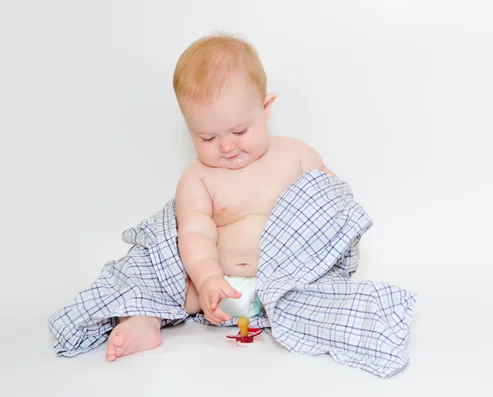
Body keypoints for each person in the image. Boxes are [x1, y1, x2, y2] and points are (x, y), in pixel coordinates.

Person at [105, 33, 334, 361]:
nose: (227, 146)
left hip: (285, 283)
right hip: (211, 287)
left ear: (265, 107)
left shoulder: (296, 156)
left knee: (324, 291)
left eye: (240, 131)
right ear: (190, 130)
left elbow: (333, 204)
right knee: (155, 281)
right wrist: (208, 278)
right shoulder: (198, 178)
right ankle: (144, 320)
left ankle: (312, 319)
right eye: (208, 137)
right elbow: (195, 232)